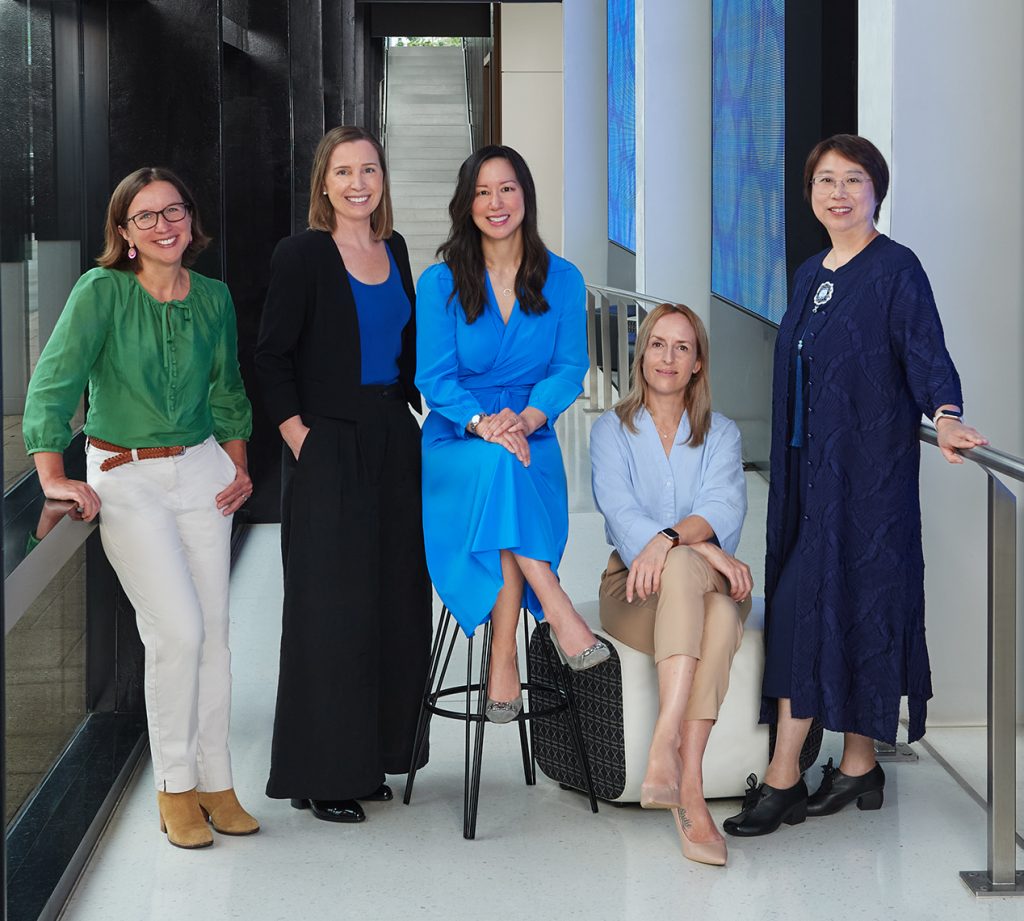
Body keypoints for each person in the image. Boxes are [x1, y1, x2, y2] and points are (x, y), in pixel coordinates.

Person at [724, 135, 988, 837]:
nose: (838, 193)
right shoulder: (810, 272)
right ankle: (857, 766)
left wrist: (946, 414)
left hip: (868, 480)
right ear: (810, 192)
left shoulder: (897, 269)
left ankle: (787, 777)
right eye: (825, 180)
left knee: (844, 606)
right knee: (822, 607)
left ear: (876, 190)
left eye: (853, 180)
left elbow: (926, 353)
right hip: (808, 477)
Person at [23, 167, 258, 849]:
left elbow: (228, 389)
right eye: (146, 216)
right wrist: (52, 475)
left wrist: (239, 465)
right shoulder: (101, 291)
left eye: (173, 211)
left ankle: (218, 783)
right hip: (125, 476)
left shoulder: (213, 297)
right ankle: (175, 787)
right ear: (124, 232)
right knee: (177, 631)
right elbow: (54, 382)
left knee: (214, 635)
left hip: (203, 471)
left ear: (191, 219)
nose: (163, 226)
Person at [256, 126, 431, 824]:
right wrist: (299, 436)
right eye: (344, 171)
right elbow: (271, 356)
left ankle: (371, 758)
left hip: (393, 435)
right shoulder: (301, 254)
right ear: (323, 184)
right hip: (326, 439)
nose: (358, 183)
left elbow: (409, 351)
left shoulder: (397, 249)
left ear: (383, 180)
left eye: (369, 170)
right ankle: (320, 774)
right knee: (328, 607)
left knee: (393, 599)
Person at [416, 144, 608, 724]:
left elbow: (568, 368)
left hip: (531, 437)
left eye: (507, 189)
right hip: (458, 439)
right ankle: (553, 606)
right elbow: (434, 377)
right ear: (466, 203)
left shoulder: (563, 279)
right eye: (482, 191)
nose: (495, 202)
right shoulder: (439, 282)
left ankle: (503, 654)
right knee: (499, 464)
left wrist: (524, 420)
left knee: (507, 466)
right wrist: (483, 424)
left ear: (525, 195)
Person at [590, 303, 751, 866]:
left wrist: (674, 543)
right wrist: (689, 542)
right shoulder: (610, 430)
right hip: (632, 590)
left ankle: (670, 753)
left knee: (687, 569)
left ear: (698, 363)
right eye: (658, 344)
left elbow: (724, 504)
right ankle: (691, 788)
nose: (668, 357)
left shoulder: (721, 433)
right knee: (715, 608)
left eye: (683, 347)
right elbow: (619, 513)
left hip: (708, 583)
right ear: (642, 355)